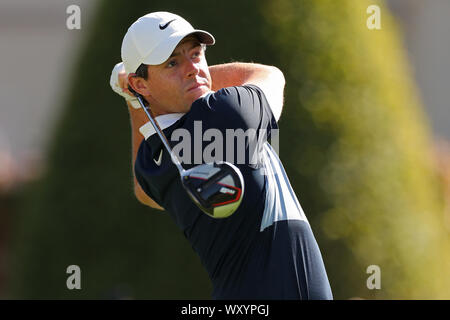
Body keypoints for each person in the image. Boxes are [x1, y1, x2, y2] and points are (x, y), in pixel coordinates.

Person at [110, 11, 333, 299]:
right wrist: (147, 90)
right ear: (140, 83)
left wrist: (136, 98)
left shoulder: (151, 162)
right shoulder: (225, 112)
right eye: (173, 63)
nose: (193, 68)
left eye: (195, 54)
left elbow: (143, 192)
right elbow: (269, 75)